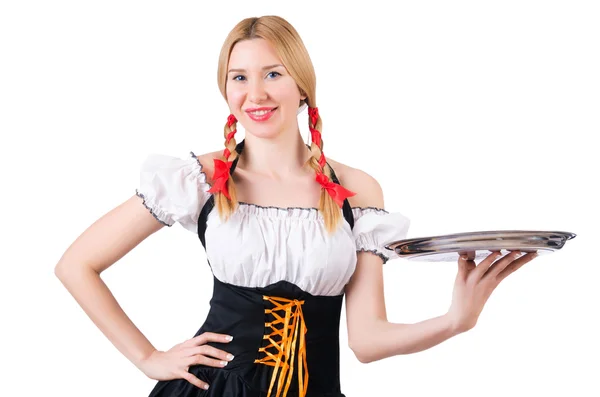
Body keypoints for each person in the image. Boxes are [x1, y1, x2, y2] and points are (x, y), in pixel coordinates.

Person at [54, 15, 539, 397]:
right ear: (225, 90)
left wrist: (456, 320)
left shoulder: (356, 190)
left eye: (272, 74)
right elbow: (77, 264)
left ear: (302, 85)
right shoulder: (201, 179)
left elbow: (366, 341)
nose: (256, 93)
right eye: (239, 77)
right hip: (212, 390)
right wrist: (148, 357)